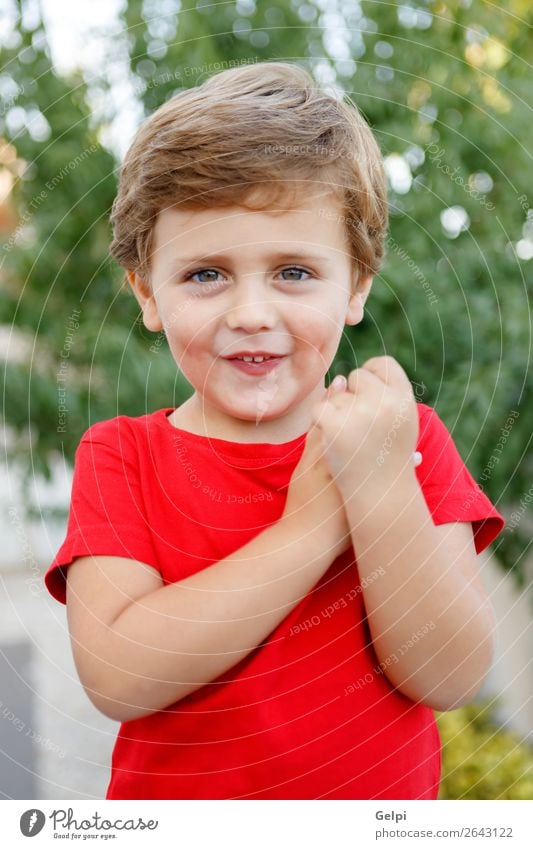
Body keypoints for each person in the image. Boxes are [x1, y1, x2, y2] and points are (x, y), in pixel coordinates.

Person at [44, 61, 504, 800]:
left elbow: (447, 674)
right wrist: (315, 522)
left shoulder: (402, 438)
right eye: (205, 274)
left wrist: (379, 484)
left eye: (292, 271)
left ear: (355, 283)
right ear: (145, 291)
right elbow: (121, 675)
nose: (250, 312)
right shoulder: (122, 454)